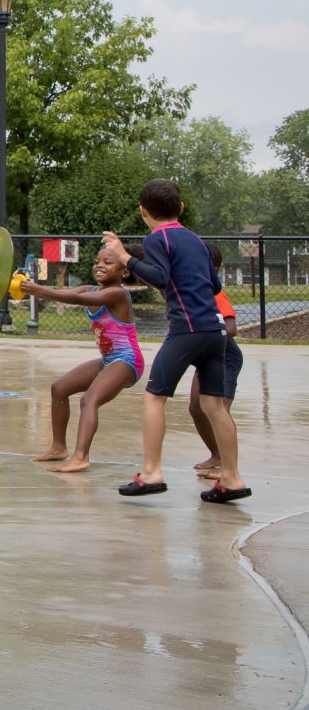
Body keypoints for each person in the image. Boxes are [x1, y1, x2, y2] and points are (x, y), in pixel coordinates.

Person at [102, 178, 248, 502]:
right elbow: (214, 286)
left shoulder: (157, 238)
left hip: (187, 329)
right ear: (180, 208)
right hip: (215, 331)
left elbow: (160, 277)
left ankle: (151, 473)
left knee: (154, 397)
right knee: (213, 405)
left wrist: (124, 257)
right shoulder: (196, 241)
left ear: (143, 211)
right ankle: (233, 478)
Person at [22, 244, 144, 473]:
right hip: (109, 360)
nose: (99, 265)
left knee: (89, 400)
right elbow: (69, 295)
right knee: (59, 388)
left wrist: (38, 290)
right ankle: (59, 447)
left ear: (124, 272)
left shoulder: (117, 294)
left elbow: (75, 299)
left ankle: (81, 457)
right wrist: (32, 289)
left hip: (128, 361)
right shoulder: (91, 289)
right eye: (97, 261)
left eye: (108, 262)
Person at [193, 242, 244, 480]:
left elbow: (231, 329)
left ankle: (229, 466)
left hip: (226, 357)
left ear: (213, 269)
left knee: (220, 410)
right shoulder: (192, 290)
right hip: (206, 354)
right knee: (196, 408)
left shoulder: (215, 293)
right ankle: (217, 454)